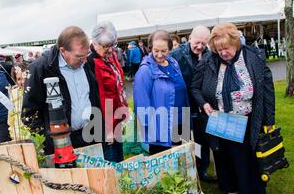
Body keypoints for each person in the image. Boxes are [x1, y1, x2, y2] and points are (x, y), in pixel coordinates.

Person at [191, 23, 275, 194]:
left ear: (236, 43)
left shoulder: (253, 57)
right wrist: (204, 103)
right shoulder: (209, 61)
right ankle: (232, 188)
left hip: (247, 119)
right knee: (224, 159)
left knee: (247, 161)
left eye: (226, 48)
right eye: (219, 49)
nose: (223, 53)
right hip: (221, 120)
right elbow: (195, 87)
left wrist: (269, 120)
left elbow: (267, 89)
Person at [21, 26, 102, 155]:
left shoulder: (86, 64)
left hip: (90, 136)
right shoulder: (40, 69)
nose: (84, 60)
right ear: (63, 50)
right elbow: (29, 113)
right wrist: (47, 140)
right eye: (79, 56)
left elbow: (94, 97)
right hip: (60, 142)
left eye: (86, 55)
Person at [170, 25, 215, 184]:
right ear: (190, 38)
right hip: (181, 105)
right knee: (182, 140)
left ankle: (202, 170)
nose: (199, 46)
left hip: (201, 105)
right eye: (197, 42)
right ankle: (183, 173)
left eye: (203, 43)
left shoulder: (209, 55)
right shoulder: (175, 55)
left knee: (203, 140)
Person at [134, 30, 189, 155]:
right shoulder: (145, 71)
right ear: (150, 49)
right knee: (165, 165)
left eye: (163, 51)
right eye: (156, 50)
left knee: (182, 160)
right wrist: (151, 128)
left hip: (180, 120)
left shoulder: (173, 63)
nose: (159, 55)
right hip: (161, 126)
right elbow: (141, 102)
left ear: (169, 49)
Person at [89, 21, 129, 163]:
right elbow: (102, 99)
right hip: (106, 125)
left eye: (113, 45)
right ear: (95, 44)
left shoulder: (110, 57)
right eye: (106, 46)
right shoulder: (92, 63)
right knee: (112, 163)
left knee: (120, 159)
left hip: (116, 118)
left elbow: (118, 87)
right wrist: (109, 129)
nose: (111, 50)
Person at [8, 63, 27, 141]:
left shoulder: (36, 91)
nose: (22, 81)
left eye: (24, 78)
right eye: (19, 79)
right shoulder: (13, 94)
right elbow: (10, 117)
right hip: (19, 135)